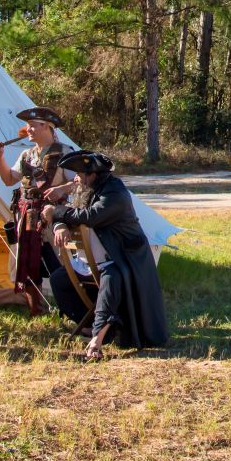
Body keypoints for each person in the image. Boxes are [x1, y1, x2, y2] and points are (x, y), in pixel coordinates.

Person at [45, 150, 169, 360]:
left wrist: (56, 213)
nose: (77, 179)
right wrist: (58, 226)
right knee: (59, 280)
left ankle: (97, 338)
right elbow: (68, 212)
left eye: (81, 174)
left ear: (93, 175)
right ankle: (90, 325)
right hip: (94, 259)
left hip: (123, 258)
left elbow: (91, 216)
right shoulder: (86, 190)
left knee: (111, 281)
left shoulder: (115, 193)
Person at [0, 107, 78, 316]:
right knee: (29, 262)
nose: (28, 129)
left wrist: (61, 189)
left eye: (32, 125)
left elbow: (80, 181)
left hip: (52, 217)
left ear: (47, 127)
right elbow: (9, 179)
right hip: (27, 217)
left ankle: (71, 308)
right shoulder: (26, 155)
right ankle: (35, 309)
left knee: (58, 263)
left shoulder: (65, 153)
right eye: (27, 125)